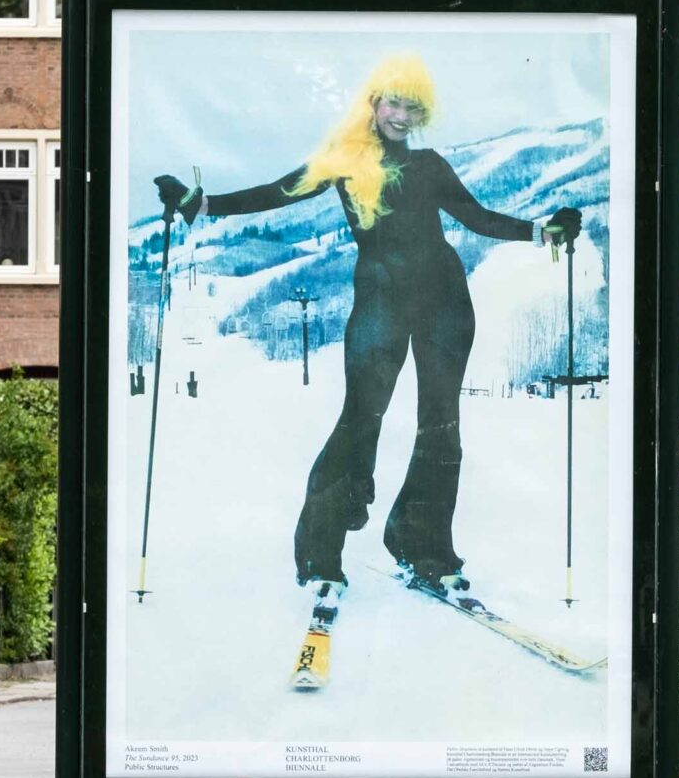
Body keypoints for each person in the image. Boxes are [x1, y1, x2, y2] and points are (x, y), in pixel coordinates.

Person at [155, 53, 581, 609]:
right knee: (361, 419)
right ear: (374, 103)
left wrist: (543, 231)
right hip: (380, 300)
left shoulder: (430, 166)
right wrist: (202, 205)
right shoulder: (345, 162)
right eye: (393, 102)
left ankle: (426, 549)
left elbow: (478, 217)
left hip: (445, 302)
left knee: (442, 426)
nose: (401, 115)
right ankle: (320, 554)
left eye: (412, 106)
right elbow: (276, 193)